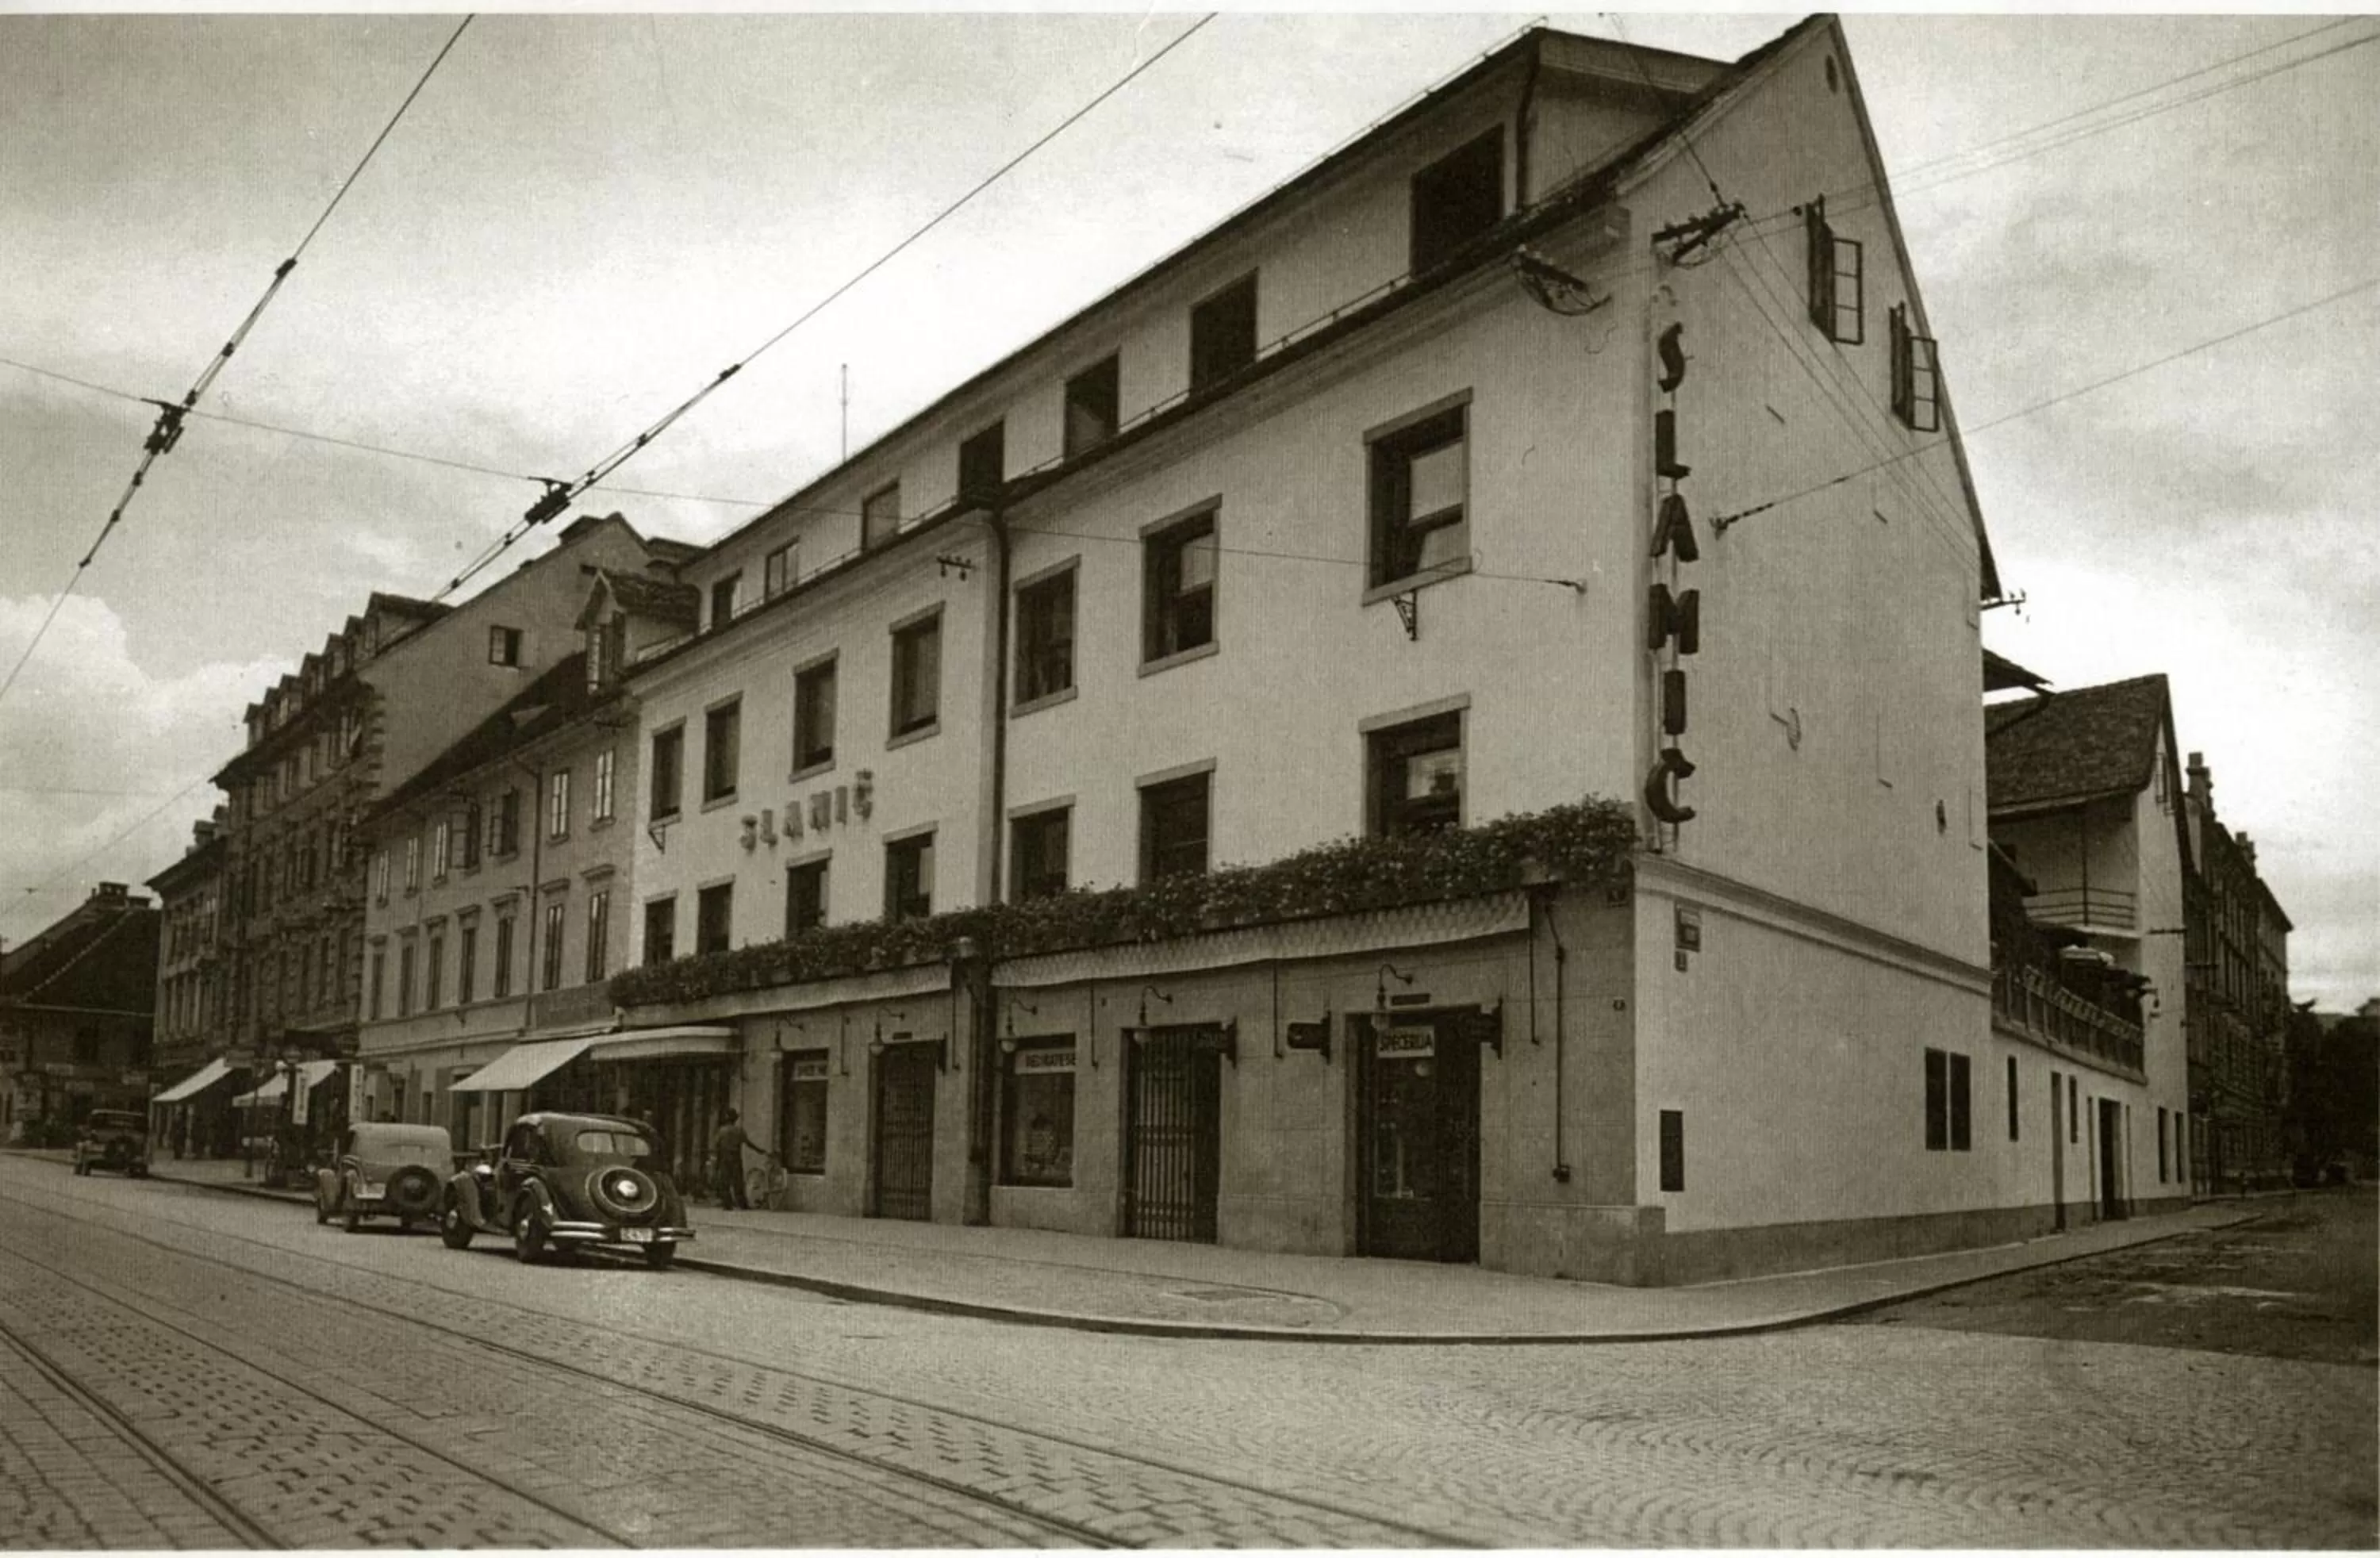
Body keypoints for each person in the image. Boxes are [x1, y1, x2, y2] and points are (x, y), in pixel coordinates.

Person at [711, 1108, 754, 1209]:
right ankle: (742, 1204)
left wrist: (716, 1162)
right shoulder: (739, 1131)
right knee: (738, 1182)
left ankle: (727, 1204)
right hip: (736, 1158)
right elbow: (748, 1143)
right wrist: (760, 1150)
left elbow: (717, 1147)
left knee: (724, 1182)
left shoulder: (722, 1131)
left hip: (724, 1159)